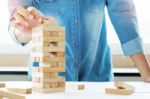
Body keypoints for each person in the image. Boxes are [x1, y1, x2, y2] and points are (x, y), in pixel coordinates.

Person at [8, 0, 150, 82]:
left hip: (97, 79)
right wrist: (27, 30)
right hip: (46, 80)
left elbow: (123, 13)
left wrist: (145, 72)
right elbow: (16, 25)